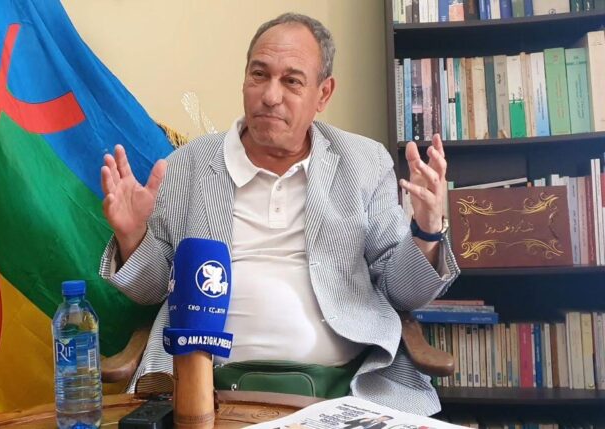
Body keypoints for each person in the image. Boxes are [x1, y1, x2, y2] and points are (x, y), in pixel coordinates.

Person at [99, 13, 459, 415]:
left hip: (346, 391)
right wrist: (133, 236)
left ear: (323, 94)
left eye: (291, 81)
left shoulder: (363, 162)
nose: (270, 96)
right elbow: (153, 291)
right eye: (259, 75)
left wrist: (427, 231)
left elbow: (402, 292)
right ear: (244, 80)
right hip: (204, 391)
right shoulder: (189, 164)